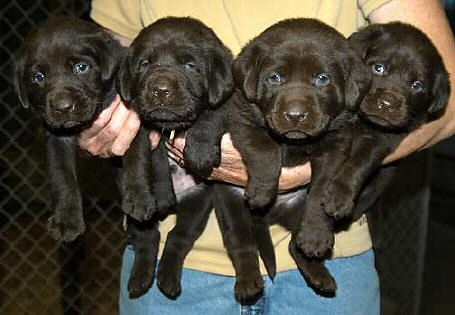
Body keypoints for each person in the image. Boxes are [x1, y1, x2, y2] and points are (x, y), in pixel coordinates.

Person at [81, 1, 455, 314]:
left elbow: (447, 102)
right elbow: (110, 68)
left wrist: (302, 175)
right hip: (171, 246)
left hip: (333, 249)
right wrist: (95, 116)